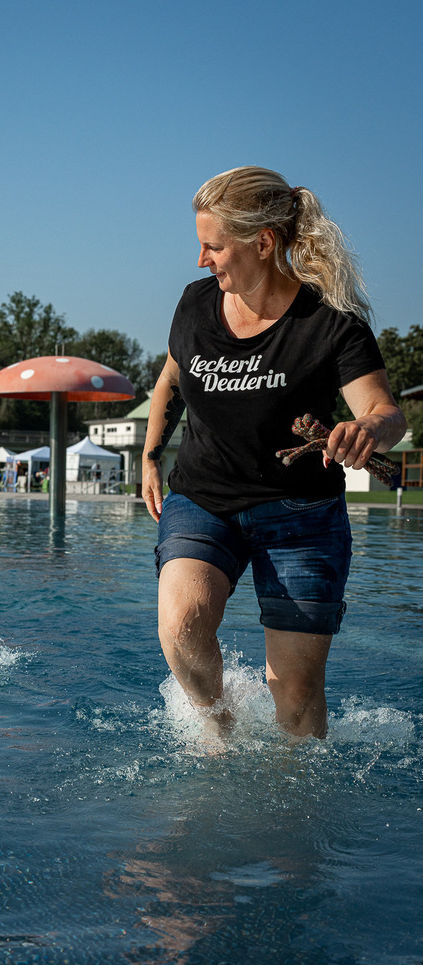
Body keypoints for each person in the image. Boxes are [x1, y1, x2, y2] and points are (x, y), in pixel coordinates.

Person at [142, 166, 406, 740]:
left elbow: (386, 412)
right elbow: (169, 379)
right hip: (203, 500)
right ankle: (219, 728)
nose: (201, 260)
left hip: (302, 517)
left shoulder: (331, 321)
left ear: (262, 242)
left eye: (213, 246)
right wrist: (149, 457)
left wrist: (367, 432)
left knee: (297, 698)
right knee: (181, 627)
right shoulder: (194, 303)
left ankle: (294, 809)